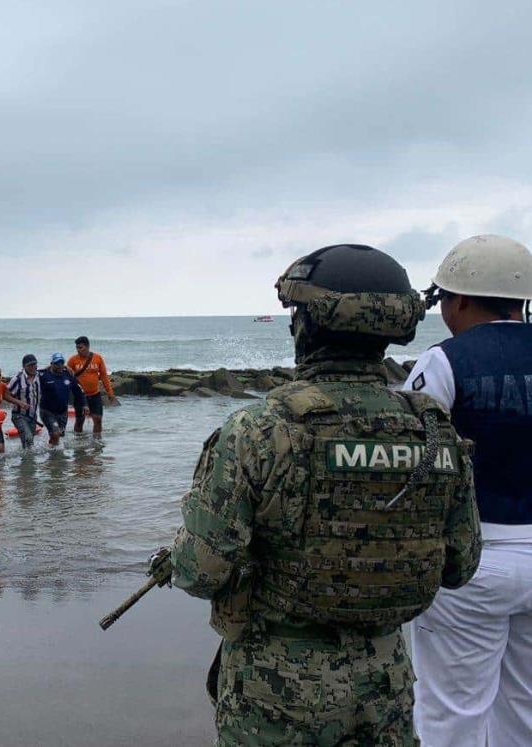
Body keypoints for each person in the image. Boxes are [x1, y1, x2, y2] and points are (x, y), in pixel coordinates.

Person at [165, 244, 481, 744]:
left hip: (275, 691)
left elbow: (200, 571)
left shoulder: (261, 430)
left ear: (308, 326)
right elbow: (461, 565)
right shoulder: (432, 430)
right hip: (387, 684)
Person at [402, 234, 532, 747]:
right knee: (523, 708)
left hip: (472, 563)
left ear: (457, 300)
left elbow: (414, 466)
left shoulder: (443, 361)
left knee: (450, 713)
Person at [67, 336, 117, 434]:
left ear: (88, 346)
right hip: (79, 397)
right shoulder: (73, 360)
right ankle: (79, 443)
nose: (78, 350)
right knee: (80, 421)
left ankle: (97, 444)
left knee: (98, 419)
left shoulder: (98, 358)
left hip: (95, 395)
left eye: (80, 347)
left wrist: (110, 393)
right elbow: (65, 377)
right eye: (77, 348)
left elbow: (104, 377)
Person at [39, 352, 87, 446]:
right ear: (52, 364)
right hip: (47, 411)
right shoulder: (43, 375)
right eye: (57, 363)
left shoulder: (68, 375)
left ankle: (51, 450)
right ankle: (54, 456)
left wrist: (85, 405)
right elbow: (28, 373)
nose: (59, 365)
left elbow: (79, 391)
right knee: (56, 433)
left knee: (60, 434)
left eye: (61, 363)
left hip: (62, 413)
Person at [7, 354, 42, 448]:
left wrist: (67, 368)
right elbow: (5, 395)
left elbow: (52, 368)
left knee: (29, 443)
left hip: (32, 416)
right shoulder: (17, 379)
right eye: (30, 365)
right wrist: (19, 402)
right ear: (24, 367)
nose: (33, 367)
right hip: (19, 415)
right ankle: (27, 461)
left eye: (35, 364)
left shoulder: (39, 375)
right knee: (28, 439)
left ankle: (27, 461)